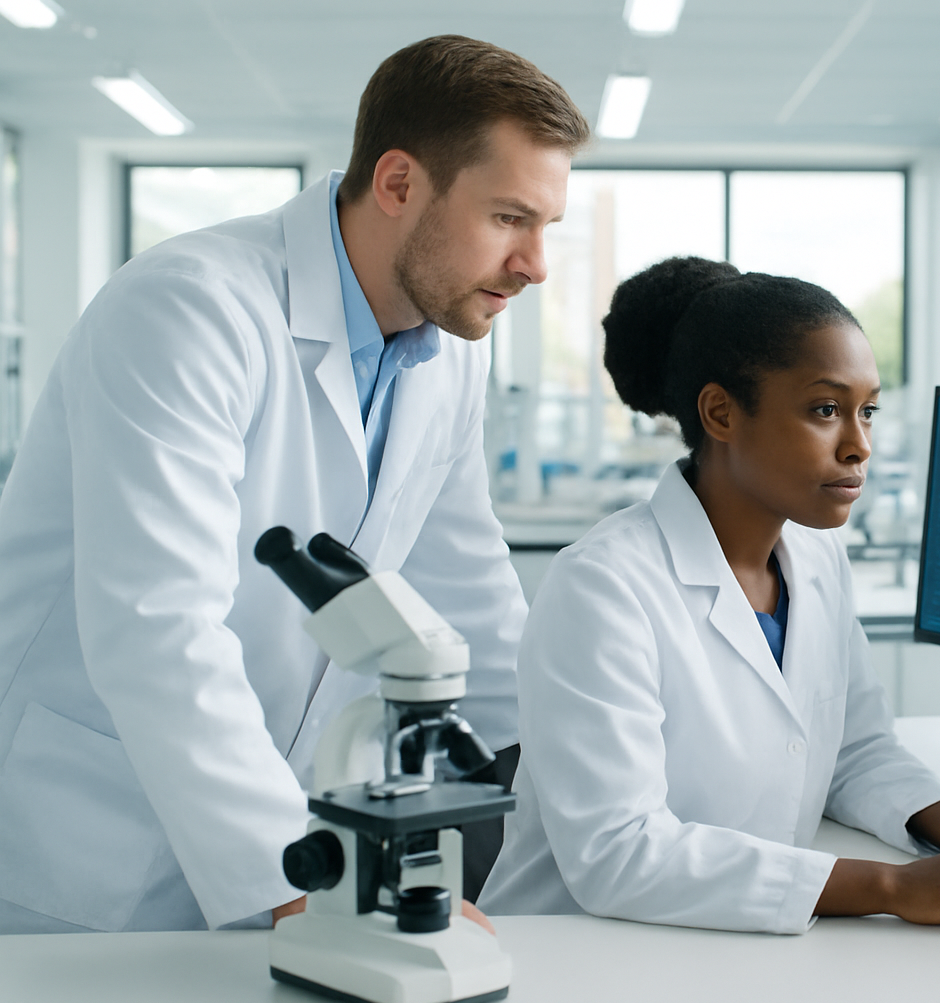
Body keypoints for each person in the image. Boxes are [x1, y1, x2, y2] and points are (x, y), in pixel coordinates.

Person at [0, 36, 586, 935]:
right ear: (398, 184)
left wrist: (580, 783)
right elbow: (156, 626)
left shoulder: (445, 356)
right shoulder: (191, 309)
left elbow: (473, 602)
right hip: (88, 842)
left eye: (548, 227)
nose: (536, 264)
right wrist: (295, 882)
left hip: (285, 827)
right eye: (510, 217)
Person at [478, 257, 940, 935]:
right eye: (826, 410)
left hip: (731, 950)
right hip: (577, 958)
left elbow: (853, 749)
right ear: (720, 412)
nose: (859, 446)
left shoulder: (815, 557)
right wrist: (893, 884)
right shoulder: (603, 586)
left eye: (868, 412)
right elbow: (618, 853)